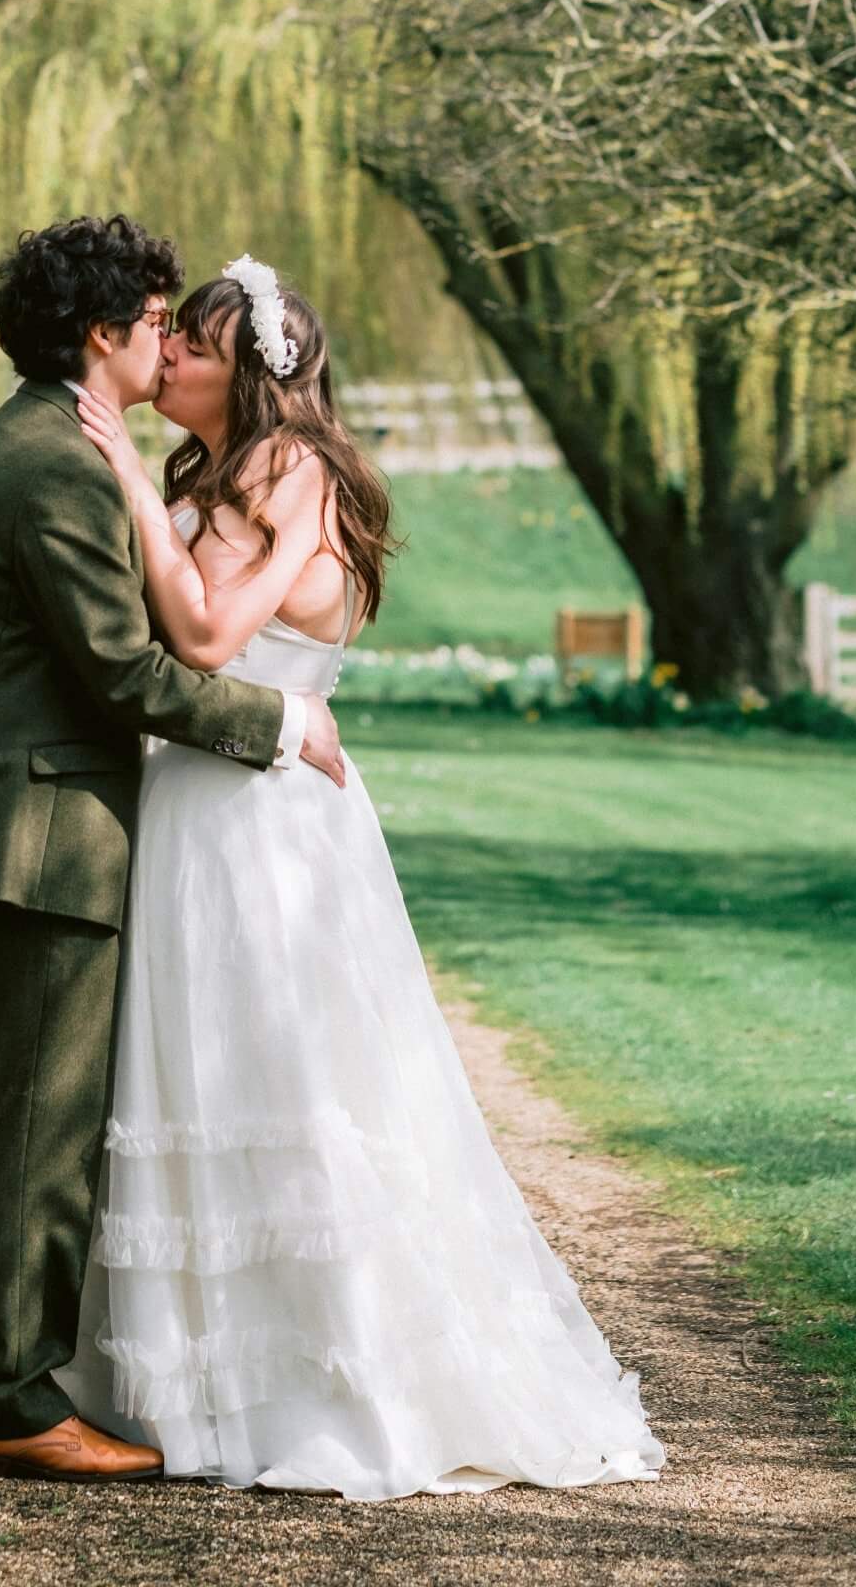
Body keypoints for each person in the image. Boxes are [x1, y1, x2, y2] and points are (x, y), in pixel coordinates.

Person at [55, 256, 666, 1499]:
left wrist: (121, 467)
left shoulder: (293, 474)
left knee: (287, 1074)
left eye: (194, 350)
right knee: (191, 1068)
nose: (163, 357)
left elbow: (213, 640)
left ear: (253, 378)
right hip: (195, 805)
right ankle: (190, 1383)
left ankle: (326, 1381)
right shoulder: (220, 472)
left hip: (265, 828)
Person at [0, 217, 344, 1483]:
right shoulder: (58, 466)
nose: (168, 339)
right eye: (152, 322)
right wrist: (283, 719)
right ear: (102, 335)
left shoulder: (37, 441)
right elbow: (126, 671)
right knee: (31, 1129)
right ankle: (4, 1404)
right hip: (30, 837)